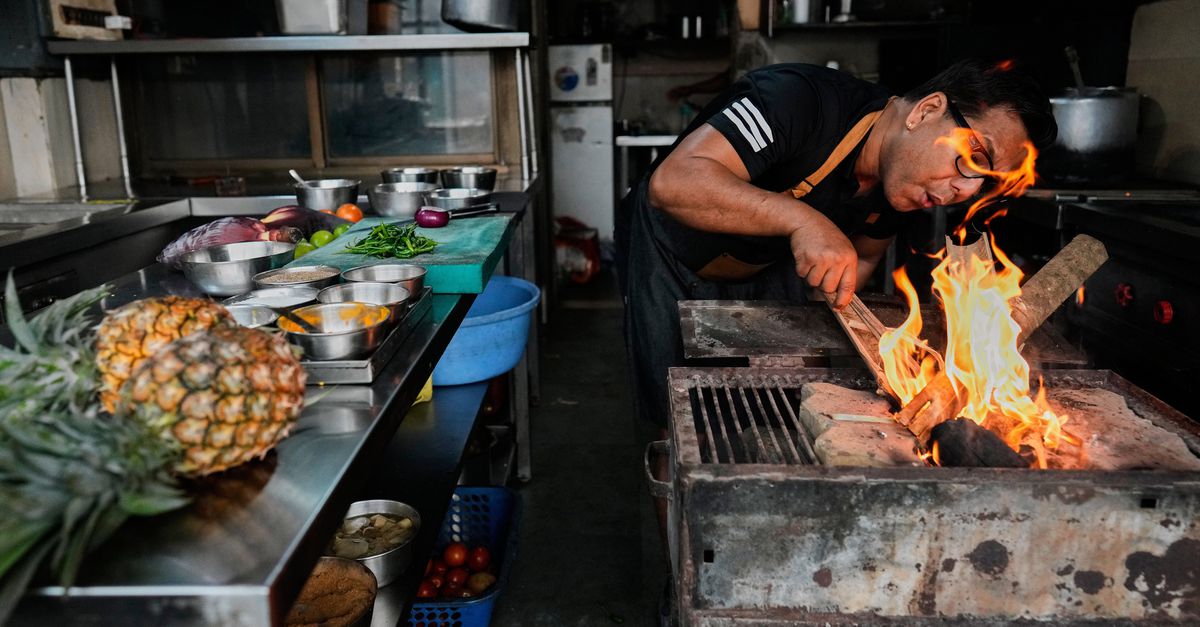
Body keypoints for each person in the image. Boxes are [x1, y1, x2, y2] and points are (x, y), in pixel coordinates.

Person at [615, 58, 1057, 451]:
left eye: (986, 182)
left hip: (767, 261)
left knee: (768, 410)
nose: (965, 190)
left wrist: (813, 328)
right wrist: (802, 221)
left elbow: (862, 259)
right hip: (671, 247)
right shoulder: (795, 100)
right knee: (675, 422)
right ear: (926, 111)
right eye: (973, 159)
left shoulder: (899, 190)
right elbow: (673, 183)